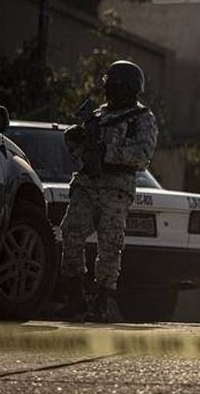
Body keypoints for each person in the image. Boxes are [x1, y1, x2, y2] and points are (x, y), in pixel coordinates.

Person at [56, 60, 159, 322]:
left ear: (131, 89)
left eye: (117, 85)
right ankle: (75, 297)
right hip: (87, 184)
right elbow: (80, 152)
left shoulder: (141, 118)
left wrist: (107, 152)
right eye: (109, 84)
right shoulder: (98, 116)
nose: (111, 90)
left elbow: (143, 154)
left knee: (110, 243)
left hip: (116, 187)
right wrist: (78, 143)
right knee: (71, 232)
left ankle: (102, 298)